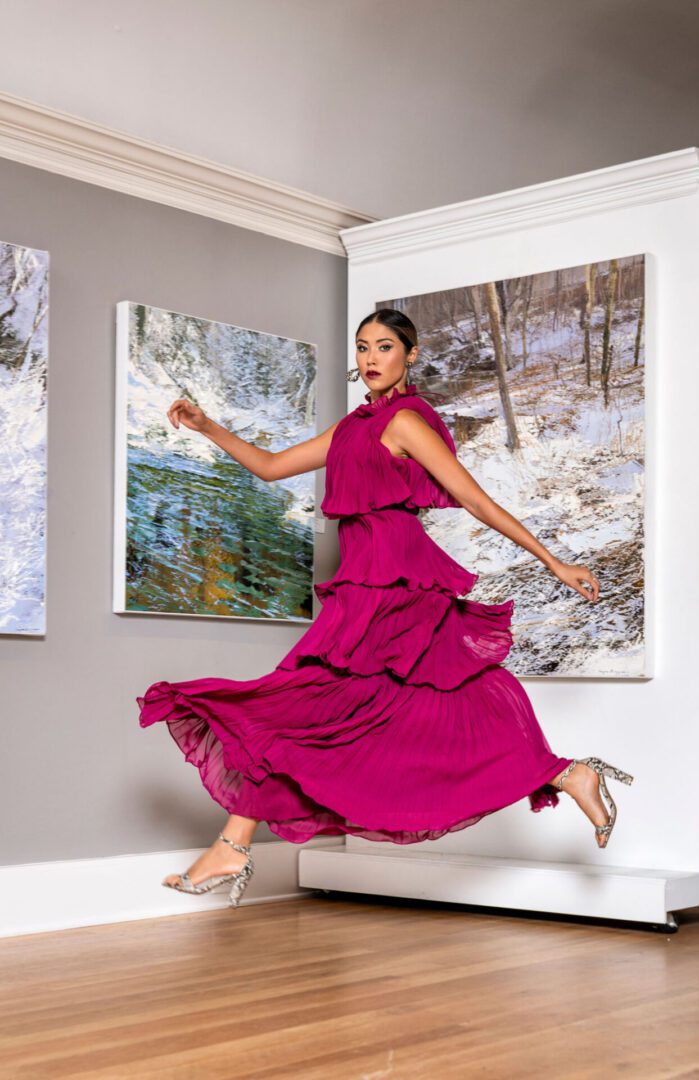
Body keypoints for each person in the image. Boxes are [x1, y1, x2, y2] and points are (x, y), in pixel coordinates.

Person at [137, 308, 633, 908]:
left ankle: (232, 848)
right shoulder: (354, 425)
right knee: (333, 709)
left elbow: (474, 499)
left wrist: (553, 562)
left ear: (411, 354)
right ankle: (568, 774)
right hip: (361, 586)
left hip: (398, 585)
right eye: (363, 347)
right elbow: (271, 467)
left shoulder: (403, 423)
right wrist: (207, 425)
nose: (371, 358)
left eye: (385, 347)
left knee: (322, 703)